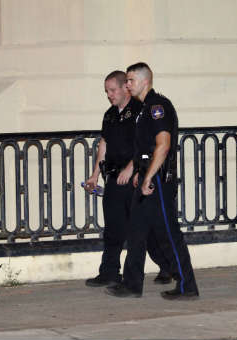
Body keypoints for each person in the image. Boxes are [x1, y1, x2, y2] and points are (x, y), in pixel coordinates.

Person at [105, 62, 199, 299]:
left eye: (130, 80)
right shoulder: (143, 108)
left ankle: (187, 286)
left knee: (169, 234)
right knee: (136, 232)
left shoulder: (158, 106)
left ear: (145, 81)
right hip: (147, 176)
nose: (127, 85)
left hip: (158, 181)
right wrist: (139, 171)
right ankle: (132, 284)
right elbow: (144, 148)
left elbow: (163, 145)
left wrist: (147, 176)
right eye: (126, 81)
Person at [84, 71, 175, 287]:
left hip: (132, 178)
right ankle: (109, 272)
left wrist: (131, 169)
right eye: (106, 91)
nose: (109, 95)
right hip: (113, 178)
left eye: (112, 90)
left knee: (143, 229)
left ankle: (168, 266)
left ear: (125, 87)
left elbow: (145, 145)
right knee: (113, 229)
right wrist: (95, 174)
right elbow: (103, 145)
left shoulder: (139, 112)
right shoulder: (109, 115)